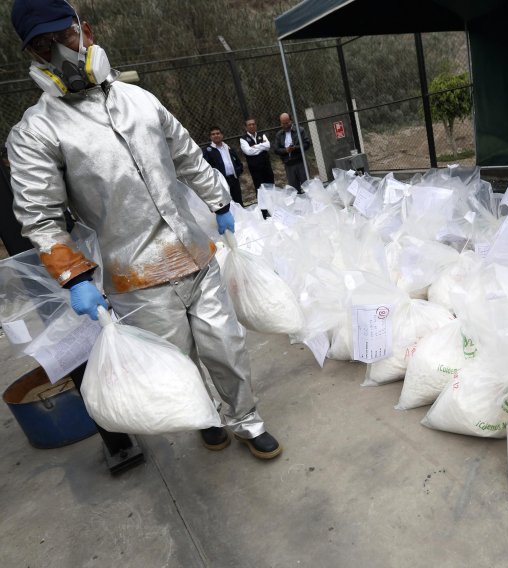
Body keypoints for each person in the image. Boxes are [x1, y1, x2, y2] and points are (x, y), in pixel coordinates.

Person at [7, 0, 282, 462]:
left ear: (86, 31)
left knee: (226, 347)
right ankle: (210, 417)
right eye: (43, 46)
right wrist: (73, 277)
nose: (61, 54)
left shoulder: (141, 101)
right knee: (176, 363)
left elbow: (188, 156)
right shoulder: (36, 133)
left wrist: (218, 201)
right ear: (33, 57)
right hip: (136, 280)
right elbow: (40, 217)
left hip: (196, 257)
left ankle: (247, 420)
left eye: (66, 37)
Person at [204, 126, 244, 206]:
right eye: (213, 134)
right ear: (210, 137)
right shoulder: (208, 151)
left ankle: (242, 217)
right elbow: (206, 167)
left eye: (218, 133)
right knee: (228, 203)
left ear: (222, 135)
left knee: (238, 201)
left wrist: (238, 170)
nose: (216, 135)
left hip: (234, 179)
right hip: (221, 182)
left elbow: (238, 162)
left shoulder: (228, 148)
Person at [274, 112, 310, 191]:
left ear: (291, 121)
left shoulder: (300, 130)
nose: (285, 125)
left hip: (300, 162)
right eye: (283, 124)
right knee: (294, 190)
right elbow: (276, 149)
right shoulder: (279, 134)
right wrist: (286, 150)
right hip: (289, 165)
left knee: (307, 188)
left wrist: (295, 148)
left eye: (287, 123)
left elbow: (307, 144)